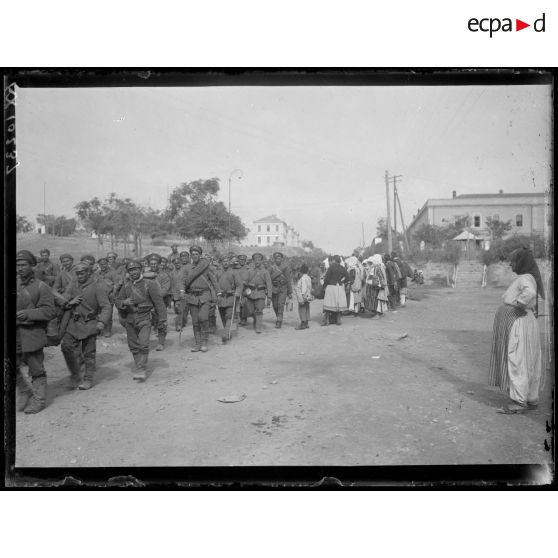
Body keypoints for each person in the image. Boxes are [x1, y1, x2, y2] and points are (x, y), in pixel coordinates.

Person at [488, 247, 545, 414]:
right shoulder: (529, 277)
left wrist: (519, 304)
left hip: (519, 323)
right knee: (528, 359)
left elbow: (530, 293)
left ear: (521, 263)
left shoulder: (524, 279)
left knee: (517, 359)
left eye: (513, 262)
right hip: (526, 322)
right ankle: (530, 398)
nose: (511, 265)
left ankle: (520, 401)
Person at [15, 250, 56, 414]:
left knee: (36, 368)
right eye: (17, 265)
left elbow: (49, 311)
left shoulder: (41, 287)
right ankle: (24, 391)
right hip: (15, 334)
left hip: (32, 333)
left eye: (23, 265)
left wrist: (28, 314)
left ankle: (39, 401)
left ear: (32, 266)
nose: (19, 268)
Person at [60, 262, 111, 390]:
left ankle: (88, 378)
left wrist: (101, 322)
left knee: (89, 353)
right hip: (73, 323)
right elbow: (63, 299)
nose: (80, 276)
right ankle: (75, 375)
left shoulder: (97, 287)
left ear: (88, 273)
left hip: (90, 323)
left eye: (82, 273)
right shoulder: (72, 286)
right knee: (66, 347)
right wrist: (69, 302)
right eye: (77, 273)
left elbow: (106, 306)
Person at [115, 259, 167, 381]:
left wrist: (163, 319)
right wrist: (123, 302)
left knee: (143, 344)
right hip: (129, 318)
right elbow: (117, 301)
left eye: (136, 269)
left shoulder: (150, 284)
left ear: (141, 270)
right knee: (133, 345)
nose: (133, 272)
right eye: (131, 270)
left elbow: (159, 303)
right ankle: (139, 366)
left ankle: (141, 369)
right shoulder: (126, 285)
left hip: (144, 317)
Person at [181, 246, 219, 352]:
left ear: (200, 255)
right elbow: (182, 281)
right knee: (195, 321)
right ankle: (197, 343)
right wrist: (182, 291)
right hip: (192, 297)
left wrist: (218, 292)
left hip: (205, 296)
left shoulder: (207, 267)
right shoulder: (187, 268)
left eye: (196, 254)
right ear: (191, 256)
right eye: (192, 254)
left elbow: (214, 281)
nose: (194, 256)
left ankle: (204, 341)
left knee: (203, 318)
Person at [145, 254, 171, 351]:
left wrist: (156, 297)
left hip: (160, 303)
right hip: (147, 303)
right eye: (151, 264)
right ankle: (144, 342)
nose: (153, 265)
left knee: (161, 322)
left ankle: (161, 342)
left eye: (155, 264)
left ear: (159, 264)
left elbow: (165, 289)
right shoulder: (145, 275)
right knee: (146, 323)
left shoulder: (164, 275)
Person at [216, 256, 243, 343]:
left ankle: (226, 334)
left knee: (229, 316)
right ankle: (227, 332)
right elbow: (214, 285)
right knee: (223, 316)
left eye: (227, 261)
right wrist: (216, 294)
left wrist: (238, 292)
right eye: (224, 261)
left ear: (229, 262)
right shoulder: (217, 273)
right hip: (220, 298)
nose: (225, 263)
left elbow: (239, 285)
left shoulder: (234, 272)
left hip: (231, 297)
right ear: (221, 263)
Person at [243, 253, 272, 334]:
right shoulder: (249, 271)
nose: (257, 262)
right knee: (251, 311)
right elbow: (245, 282)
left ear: (261, 261)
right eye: (255, 260)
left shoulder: (265, 272)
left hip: (261, 293)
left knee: (259, 310)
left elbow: (269, 284)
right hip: (250, 294)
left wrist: (269, 296)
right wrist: (245, 289)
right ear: (253, 261)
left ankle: (258, 327)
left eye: (259, 260)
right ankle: (256, 320)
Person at [322, 255, 349, 326]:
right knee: (338, 304)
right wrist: (342, 282)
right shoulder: (343, 268)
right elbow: (348, 278)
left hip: (331, 286)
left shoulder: (331, 267)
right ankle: (338, 320)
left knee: (329, 303)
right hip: (339, 287)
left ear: (334, 260)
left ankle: (327, 321)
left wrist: (324, 286)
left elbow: (327, 278)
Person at [268, 252, 293, 328]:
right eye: (276, 258)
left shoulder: (285, 267)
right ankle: (279, 316)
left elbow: (288, 279)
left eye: (279, 258)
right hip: (274, 288)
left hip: (283, 288)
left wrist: (290, 291)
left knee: (280, 304)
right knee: (275, 305)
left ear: (282, 259)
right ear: (274, 259)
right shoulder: (271, 268)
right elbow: (268, 279)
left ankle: (279, 320)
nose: (278, 260)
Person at [97, 257, 119, 337]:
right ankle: (99, 329)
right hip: (99, 296)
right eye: (101, 264)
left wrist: (113, 293)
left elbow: (117, 284)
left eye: (104, 264)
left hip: (109, 296)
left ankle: (108, 330)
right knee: (99, 313)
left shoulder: (113, 272)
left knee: (108, 314)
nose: (103, 266)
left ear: (107, 264)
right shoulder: (97, 273)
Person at [294, 263, 312, 330]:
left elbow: (303, 288)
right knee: (307, 309)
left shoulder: (303, 279)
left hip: (303, 296)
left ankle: (303, 324)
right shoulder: (308, 277)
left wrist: (302, 296)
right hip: (308, 295)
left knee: (302, 310)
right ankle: (306, 323)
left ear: (301, 271)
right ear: (307, 271)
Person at [236, 254, 250, 326]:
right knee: (237, 303)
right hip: (237, 288)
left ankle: (244, 319)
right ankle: (239, 318)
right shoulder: (235, 268)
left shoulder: (248, 268)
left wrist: (247, 283)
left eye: (243, 260)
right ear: (238, 260)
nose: (242, 261)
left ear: (245, 261)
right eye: (241, 260)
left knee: (245, 304)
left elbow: (251, 278)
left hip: (245, 288)